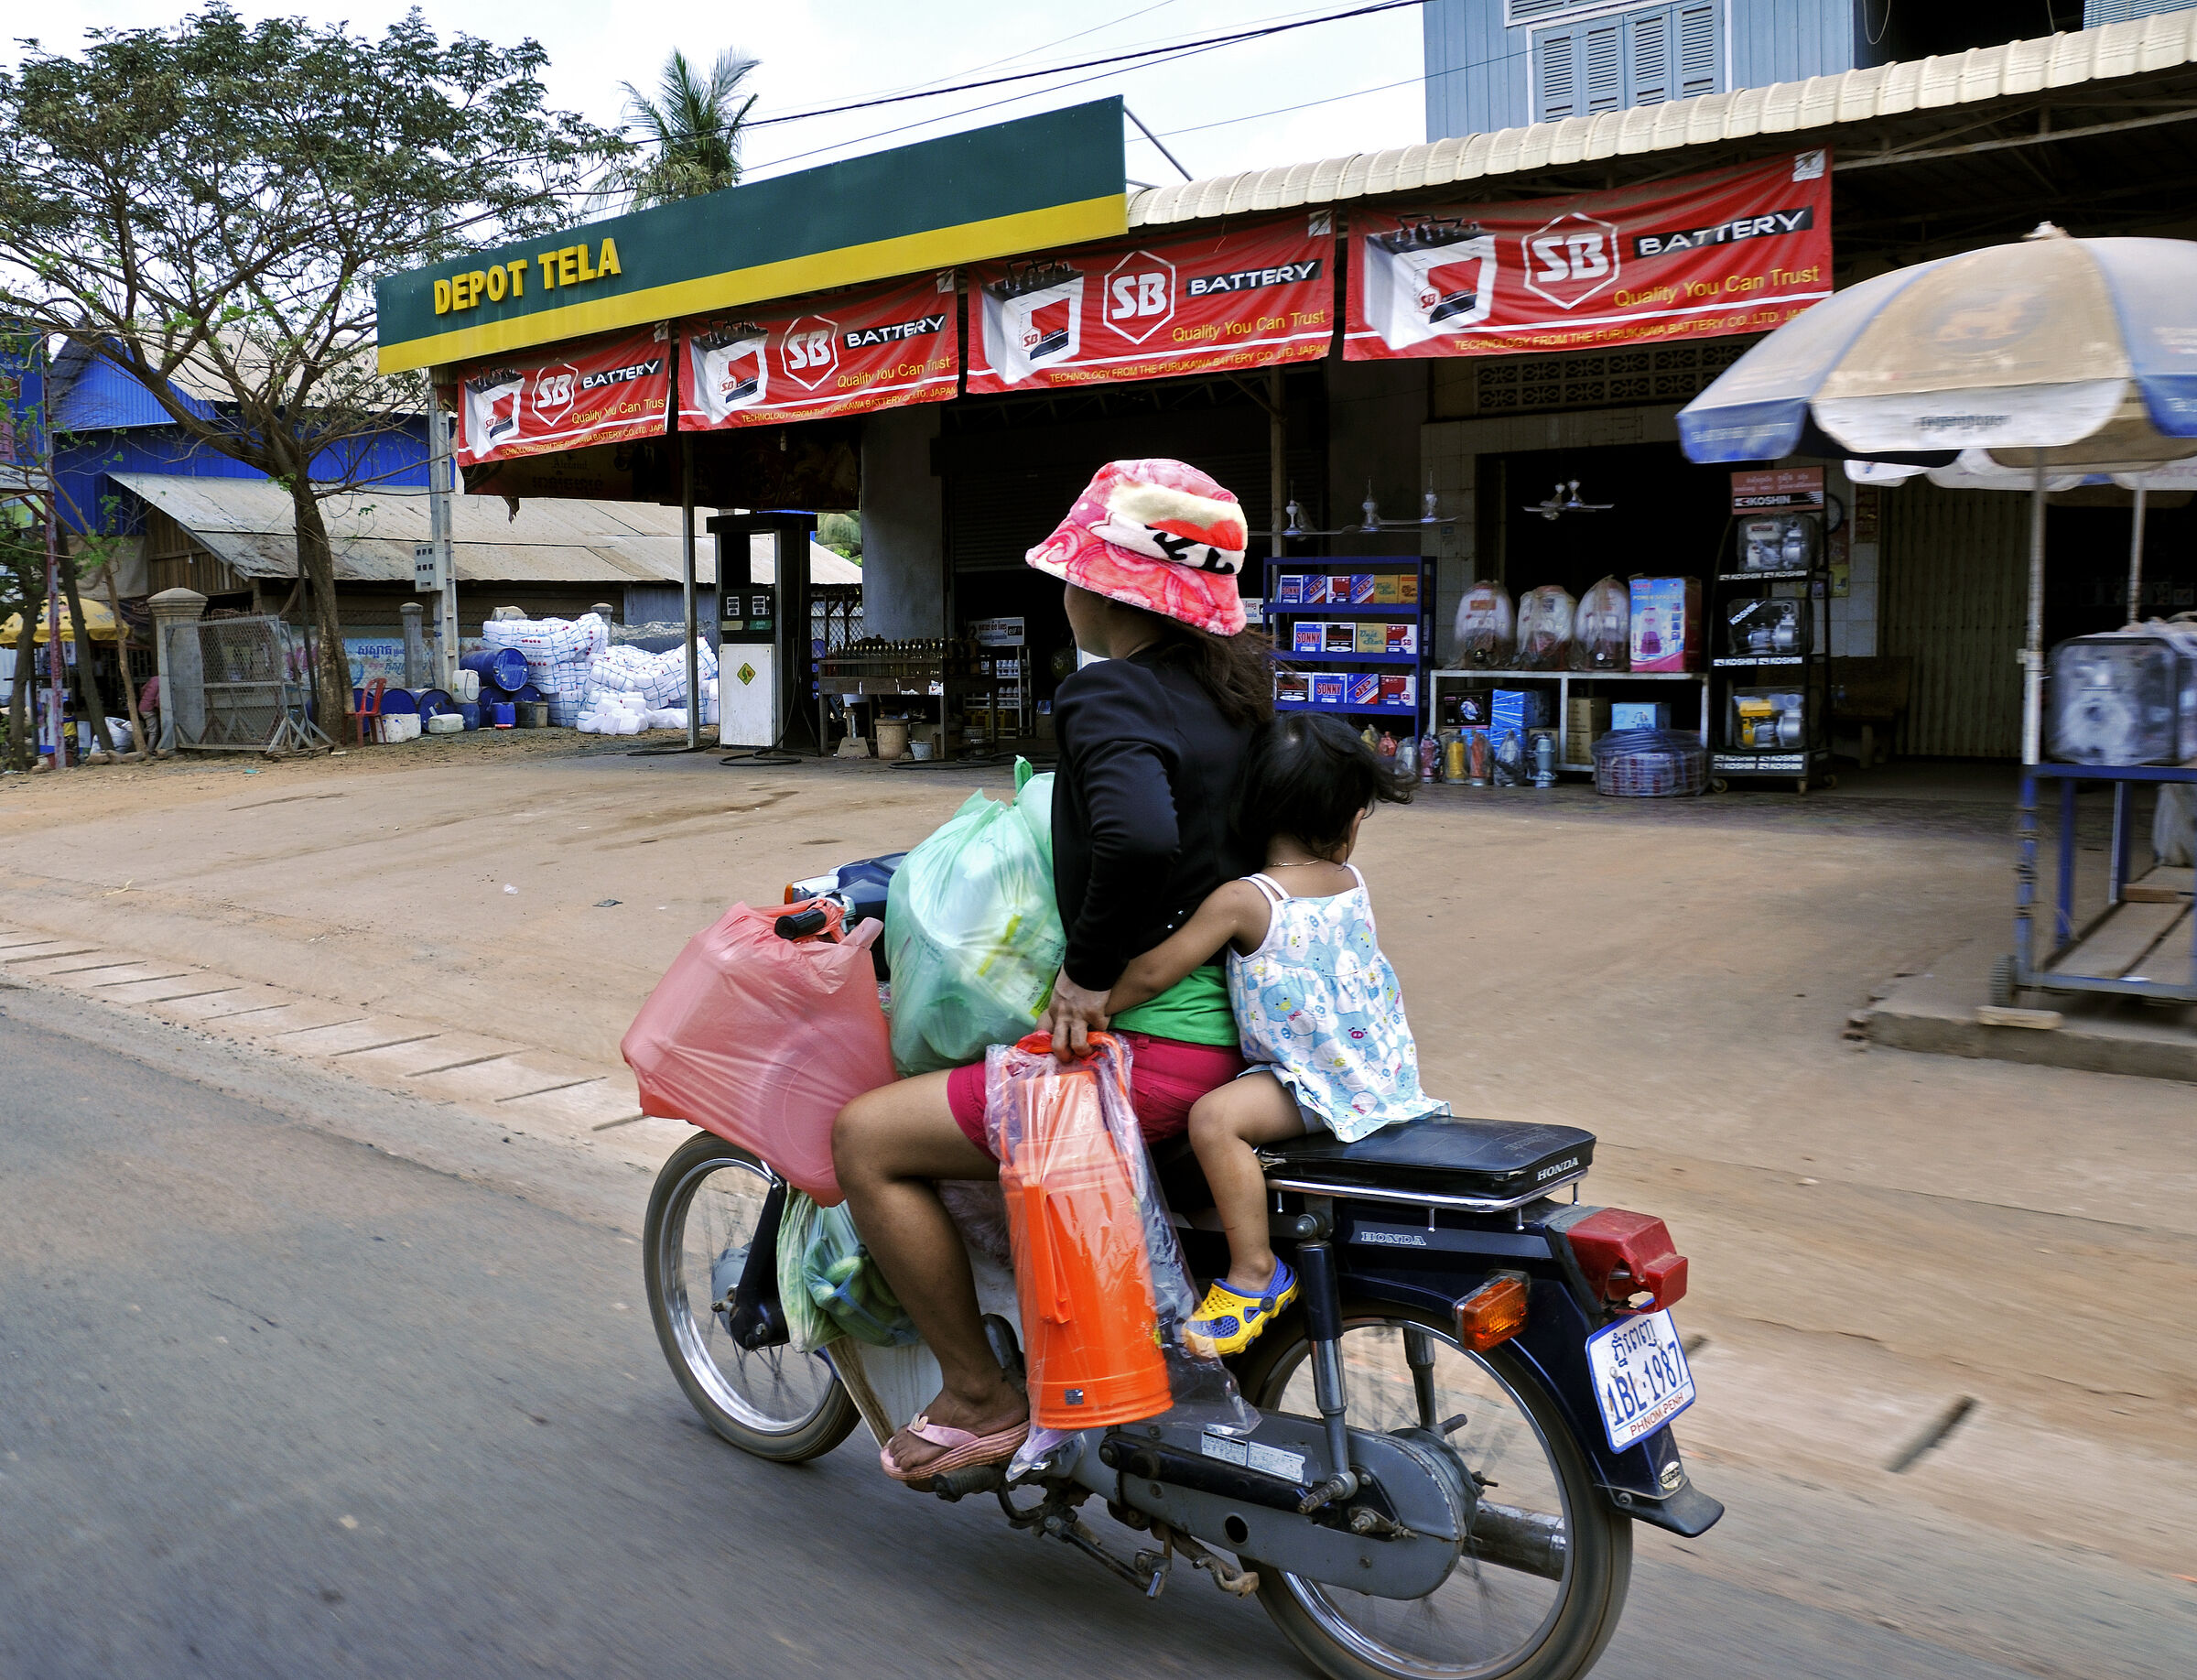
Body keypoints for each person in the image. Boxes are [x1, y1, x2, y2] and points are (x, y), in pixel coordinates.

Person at [834, 459, 1272, 1484]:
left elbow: (1135, 838)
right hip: (1227, 1044)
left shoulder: (1110, 691)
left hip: (1147, 1052)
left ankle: (980, 1395)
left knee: (866, 1136)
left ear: (1100, 589)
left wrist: (1085, 972)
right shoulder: (1239, 698)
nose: (1061, 589)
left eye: (1068, 572)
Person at [1105, 712, 1445, 1356]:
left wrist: (1091, 999)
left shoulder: (1245, 899)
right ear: (1347, 822)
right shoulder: (1350, 883)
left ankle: (1256, 1270)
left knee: (1212, 1120)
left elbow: (1153, 972)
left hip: (1311, 1088)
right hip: (1379, 1078)